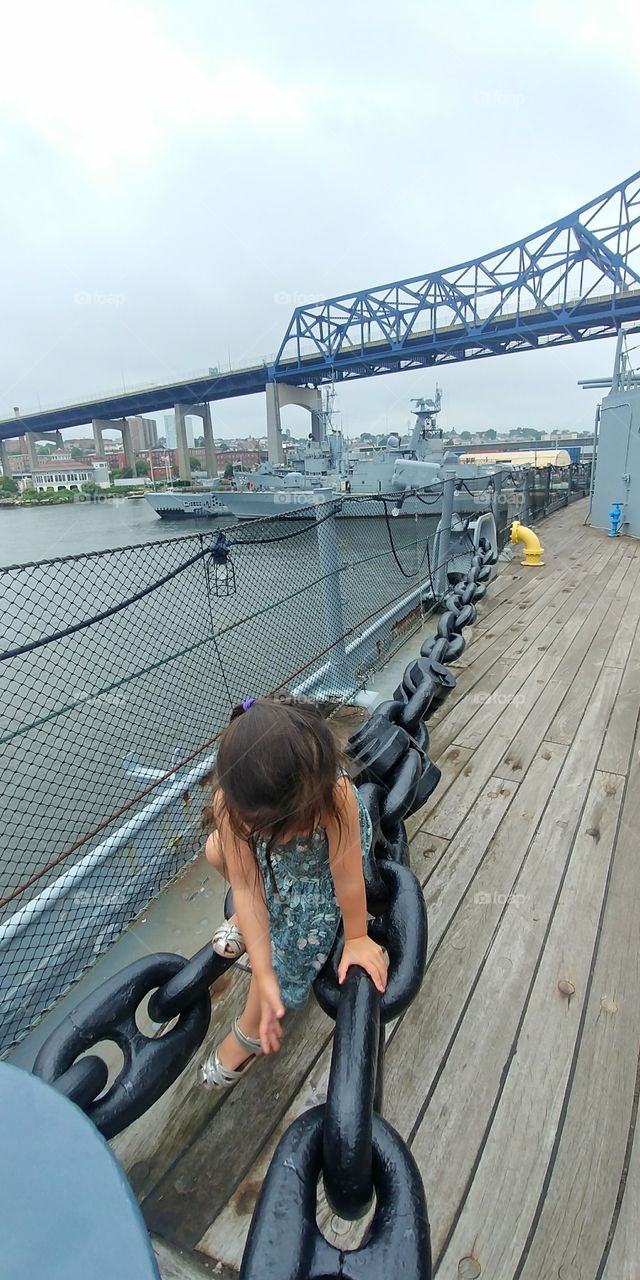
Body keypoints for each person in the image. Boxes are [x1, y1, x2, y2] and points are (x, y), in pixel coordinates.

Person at [200, 696, 387, 1089]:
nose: (291, 835)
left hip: (324, 866)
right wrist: (262, 970)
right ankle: (252, 930)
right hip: (274, 867)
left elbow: (348, 877)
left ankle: (250, 1028)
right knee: (216, 848)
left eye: (299, 821)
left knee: (292, 937)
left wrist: (356, 936)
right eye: (275, 829)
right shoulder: (229, 806)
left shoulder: (335, 796)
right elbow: (247, 887)